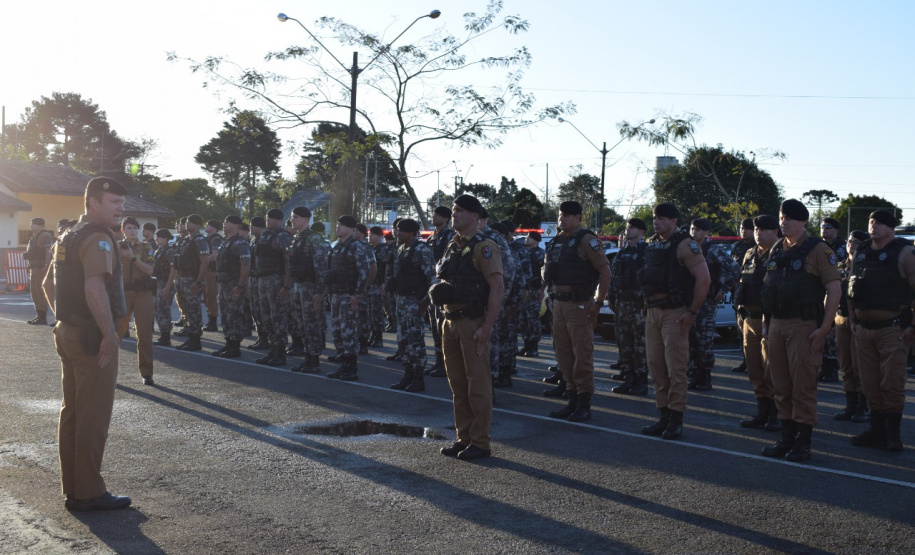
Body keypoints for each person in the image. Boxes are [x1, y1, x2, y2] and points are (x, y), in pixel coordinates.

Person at [42, 176, 131, 511]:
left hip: (68, 332)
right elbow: (95, 290)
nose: (120, 209)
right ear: (93, 202)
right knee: (92, 417)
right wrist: (109, 335)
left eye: (122, 204)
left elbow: (47, 285)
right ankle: (90, 492)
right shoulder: (97, 238)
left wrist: (65, 319)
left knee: (73, 413)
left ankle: (74, 488)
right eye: (114, 203)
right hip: (92, 339)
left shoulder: (67, 234)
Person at [760, 199, 841, 462]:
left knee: (803, 387)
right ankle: (786, 438)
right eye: (782, 217)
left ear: (803, 222)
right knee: (780, 385)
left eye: (790, 219)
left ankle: (803, 443)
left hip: (803, 326)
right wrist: (765, 321)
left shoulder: (819, 249)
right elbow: (768, 287)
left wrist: (825, 328)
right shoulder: (777, 249)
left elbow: (834, 290)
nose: (784, 222)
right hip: (777, 325)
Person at [430, 194, 503, 460]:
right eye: (453, 210)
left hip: (472, 322)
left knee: (477, 385)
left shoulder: (484, 246)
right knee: (457, 384)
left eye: (460, 210)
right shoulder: (453, 244)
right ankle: (464, 438)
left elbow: (497, 287)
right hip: (450, 321)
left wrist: (487, 327)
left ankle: (481, 442)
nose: (454, 214)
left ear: (475, 216)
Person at [639, 203, 711, 440]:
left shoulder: (685, 245)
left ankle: (676, 419)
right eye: (654, 218)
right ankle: (663, 416)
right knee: (656, 367)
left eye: (661, 218)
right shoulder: (653, 243)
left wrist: (691, 312)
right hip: (653, 312)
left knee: (676, 368)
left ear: (673, 220)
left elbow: (704, 280)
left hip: (675, 312)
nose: (656, 222)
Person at [848, 210, 915, 452]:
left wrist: (912, 328)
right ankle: (876, 431)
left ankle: (893, 434)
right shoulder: (862, 251)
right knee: (869, 382)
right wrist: (853, 321)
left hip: (893, 329)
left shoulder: (905, 252)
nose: (873, 227)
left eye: (879, 224)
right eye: (871, 223)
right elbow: (851, 289)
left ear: (891, 228)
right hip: (864, 330)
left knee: (892, 382)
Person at [539, 201, 611, 421]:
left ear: (578, 218)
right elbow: (546, 270)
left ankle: (583, 403)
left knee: (582, 354)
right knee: (564, 354)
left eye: (568, 216)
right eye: (561, 215)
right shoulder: (556, 242)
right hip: (558, 303)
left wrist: (598, 304)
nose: (563, 219)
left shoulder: (587, 241)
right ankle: (571, 397)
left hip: (580, 304)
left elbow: (605, 273)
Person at [735, 215, 781, 430]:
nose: (758, 233)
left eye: (763, 229)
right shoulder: (750, 253)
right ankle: (762, 412)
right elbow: (743, 283)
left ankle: (775, 414)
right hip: (749, 319)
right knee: (754, 369)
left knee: (771, 370)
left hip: (770, 321)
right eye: (756, 229)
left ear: (775, 231)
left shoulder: (781, 253)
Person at [687, 218, 739, 390]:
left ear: (707, 232)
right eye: (693, 229)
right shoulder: (690, 248)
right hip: (691, 299)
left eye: (698, 230)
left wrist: (723, 289)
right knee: (691, 339)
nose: (694, 233)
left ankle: (705, 377)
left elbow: (733, 267)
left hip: (707, 301)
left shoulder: (712, 249)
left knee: (704, 340)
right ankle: (695, 375)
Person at [389, 218, 436, 392]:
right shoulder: (401, 249)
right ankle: (407, 374)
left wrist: (426, 301)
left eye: (400, 230)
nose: (397, 233)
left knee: (415, 340)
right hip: (402, 300)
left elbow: (432, 278)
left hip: (415, 301)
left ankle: (418, 377)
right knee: (403, 340)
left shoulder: (421, 250)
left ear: (410, 233)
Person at [326, 215, 371, 380]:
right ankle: (343, 365)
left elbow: (364, 272)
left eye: (342, 225)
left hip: (348, 295)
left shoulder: (356, 247)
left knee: (348, 333)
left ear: (351, 229)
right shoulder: (336, 246)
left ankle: (351, 368)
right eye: (338, 224)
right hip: (336, 294)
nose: (338, 227)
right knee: (337, 331)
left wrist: (357, 294)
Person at [833, 230, 870, 423]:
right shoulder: (839, 267)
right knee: (845, 365)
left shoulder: (866, 266)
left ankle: (864, 407)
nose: (851, 244)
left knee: (859, 366)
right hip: (841, 319)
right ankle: (851, 405)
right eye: (849, 241)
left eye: (856, 242)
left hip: (860, 322)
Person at [286, 206, 329, 373]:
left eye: (295, 217)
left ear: (305, 219)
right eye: (292, 217)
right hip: (298, 286)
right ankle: (308, 358)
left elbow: (321, 267)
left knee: (311, 324)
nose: (292, 220)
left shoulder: (314, 239)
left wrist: (320, 291)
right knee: (301, 324)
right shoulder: (297, 238)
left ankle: (314, 360)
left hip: (310, 287)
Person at [609, 218, 649, 396]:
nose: (627, 230)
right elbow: (614, 276)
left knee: (640, 345)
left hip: (639, 304)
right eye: (627, 227)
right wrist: (611, 297)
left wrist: (646, 304)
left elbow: (650, 280)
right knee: (625, 343)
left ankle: (641, 382)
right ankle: (629, 378)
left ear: (641, 232)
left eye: (631, 228)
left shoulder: (647, 252)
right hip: (623, 303)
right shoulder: (622, 253)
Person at [115, 216, 157, 385]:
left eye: (135, 228)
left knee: (144, 334)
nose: (132, 230)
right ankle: (110, 372)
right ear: (123, 231)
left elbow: (150, 270)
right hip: (123, 293)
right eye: (129, 228)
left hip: (143, 294)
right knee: (115, 333)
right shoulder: (115, 247)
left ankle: (146, 373)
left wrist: (132, 258)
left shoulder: (146, 247)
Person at [254, 209, 293, 366]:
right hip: (263, 279)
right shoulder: (265, 235)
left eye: (269, 218)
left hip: (276, 280)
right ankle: (272, 350)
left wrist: (286, 285)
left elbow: (288, 261)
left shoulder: (282, 236)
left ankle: (280, 353)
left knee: (278, 317)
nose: (267, 220)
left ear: (277, 219)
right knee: (266, 317)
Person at [167, 214, 211, 351]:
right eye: (186, 222)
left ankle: (195, 340)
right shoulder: (185, 240)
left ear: (198, 225)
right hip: (182, 278)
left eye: (190, 222)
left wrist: (198, 282)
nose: (187, 224)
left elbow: (205, 262)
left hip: (192, 279)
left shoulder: (200, 240)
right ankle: (190, 337)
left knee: (194, 310)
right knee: (186, 309)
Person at [211, 215, 251, 358]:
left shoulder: (240, 243)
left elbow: (245, 265)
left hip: (234, 284)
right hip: (223, 285)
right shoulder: (225, 242)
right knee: (226, 316)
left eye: (225, 222)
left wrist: (240, 286)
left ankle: (235, 347)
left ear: (234, 225)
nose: (223, 224)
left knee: (235, 315)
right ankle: (228, 343)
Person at [425, 206, 455, 375]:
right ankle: (438, 362)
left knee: (443, 326)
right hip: (432, 287)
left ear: (445, 219)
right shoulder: (432, 237)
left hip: (442, 287)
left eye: (436, 215)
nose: (433, 216)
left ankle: (446, 364)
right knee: (435, 327)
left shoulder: (449, 236)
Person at [818, 216, 846, 382]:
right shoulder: (818, 246)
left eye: (828, 227)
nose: (824, 229)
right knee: (823, 333)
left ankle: (832, 370)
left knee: (831, 334)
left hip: (834, 293)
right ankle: (824, 368)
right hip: (819, 293)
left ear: (836, 230)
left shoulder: (841, 247)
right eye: (823, 227)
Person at [730, 218, 756, 373]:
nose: (743, 231)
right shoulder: (737, 246)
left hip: (753, 293)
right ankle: (746, 360)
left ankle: (756, 362)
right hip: (739, 292)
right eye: (741, 228)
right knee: (741, 329)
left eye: (747, 228)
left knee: (755, 329)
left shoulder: (758, 246)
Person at [518, 230, 545, 358]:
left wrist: (542, 289)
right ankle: (526, 344)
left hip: (534, 290)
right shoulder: (524, 252)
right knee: (524, 319)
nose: (526, 239)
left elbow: (545, 273)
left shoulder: (539, 254)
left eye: (529, 238)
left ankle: (534, 347)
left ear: (536, 240)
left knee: (533, 319)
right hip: (523, 290)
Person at [25, 217, 55, 325]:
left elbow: (48, 251)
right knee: (34, 292)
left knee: (40, 291)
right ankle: (39, 315)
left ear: (41, 225)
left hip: (40, 267)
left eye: (34, 224)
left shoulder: (45, 236)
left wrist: (46, 266)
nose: (31, 226)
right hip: (34, 267)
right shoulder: (34, 237)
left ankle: (42, 317)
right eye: (31, 224)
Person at [354, 223, 377, 355]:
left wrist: (367, 286)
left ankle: (363, 343)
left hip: (362, 287)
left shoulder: (366, 248)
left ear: (361, 234)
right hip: (352, 287)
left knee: (362, 316)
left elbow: (373, 268)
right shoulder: (350, 246)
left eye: (355, 231)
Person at [152, 229, 177, 346]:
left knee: (164, 310)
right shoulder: (159, 250)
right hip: (159, 283)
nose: (157, 239)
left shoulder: (170, 251)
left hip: (165, 283)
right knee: (158, 310)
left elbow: (174, 269)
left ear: (165, 238)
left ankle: (166, 336)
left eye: (159, 237)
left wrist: (168, 286)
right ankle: (163, 334)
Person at [247, 217, 268, 349]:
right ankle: (261, 338)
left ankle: (266, 339)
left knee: (263, 310)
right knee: (255, 310)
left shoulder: (265, 239)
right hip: (254, 279)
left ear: (257, 226)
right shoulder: (254, 240)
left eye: (251, 226)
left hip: (263, 279)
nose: (250, 228)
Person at [367, 226, 389, 348]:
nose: (371, 236)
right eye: (370, 234)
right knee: (371, 312)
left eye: (373, 234)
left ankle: (378, 337)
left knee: (377, 312)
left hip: (379, 284)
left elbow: (386, 267)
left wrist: (384, 283)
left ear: (380, 236)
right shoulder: (370, 248)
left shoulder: (384, 249)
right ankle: (373, 336)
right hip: (371, 284)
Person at [203, 219, 224, 332]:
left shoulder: (216, 239)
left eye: (209, 224)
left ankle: (213, 321)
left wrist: (202, 263)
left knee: (211, 294)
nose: (206, 226)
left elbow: (215, 255)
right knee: (206, 295)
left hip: (213, 270)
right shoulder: (207, 239)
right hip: (206, 270)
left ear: (214, 228)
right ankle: (210, 318)